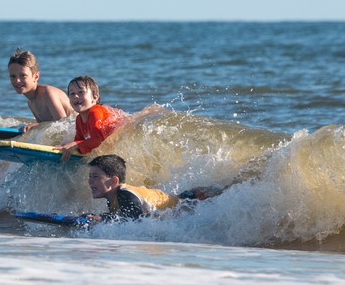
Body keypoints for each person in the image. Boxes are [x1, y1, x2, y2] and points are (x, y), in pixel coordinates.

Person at [84, 154, 223, 224]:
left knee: (224, 192)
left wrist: (102, 218)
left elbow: (135, 223)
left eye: (95, 176)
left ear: (113, 181)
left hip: (190, 201)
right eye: (90, 176)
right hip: (179, 200)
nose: (90, 182)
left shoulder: (124, 195)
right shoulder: (113, 197)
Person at [58, 76, 123, 161]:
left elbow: (98, 140)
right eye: (72, 93)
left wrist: (75, 145)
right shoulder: (79, 119)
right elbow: (80, 140)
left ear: (95, 97)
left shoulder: (95, 112)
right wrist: (65, 146)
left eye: (81, 92)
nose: (76, 96)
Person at [7, 49, 74, 131]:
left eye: (23, 75)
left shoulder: (48, 93)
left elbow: (63, 124)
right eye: (13, 76)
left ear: (36, 76)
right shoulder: (31, 103)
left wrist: (36, 126)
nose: (17, 80)